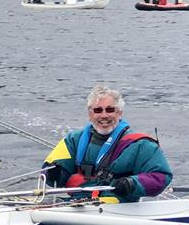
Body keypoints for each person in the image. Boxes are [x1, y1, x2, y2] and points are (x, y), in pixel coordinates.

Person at [41, 85, 172, 203]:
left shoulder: (140, 144)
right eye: (98, 110)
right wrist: (54, 173)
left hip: (119, 207)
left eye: (110, 110)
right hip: (78, 203)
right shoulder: (73, 139)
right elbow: (48, 173)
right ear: (90, 114)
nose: (104, 115)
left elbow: (161, 176)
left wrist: (132, 184)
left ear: (119, 113)